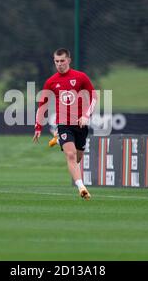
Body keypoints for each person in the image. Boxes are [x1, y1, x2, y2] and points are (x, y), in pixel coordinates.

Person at [33, 48, 97, 200]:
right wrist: (38, 126)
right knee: (70, 155)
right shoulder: (51, 81)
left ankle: (57, 138)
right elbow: (42, 104)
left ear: (68, 60)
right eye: (56, 61)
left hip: (81, 125)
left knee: (78, 157)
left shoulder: (80, 77)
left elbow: (93, 96)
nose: (59, 64)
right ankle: (82, 188)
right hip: (63, 123)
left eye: (62, 61)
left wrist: (86, 115)